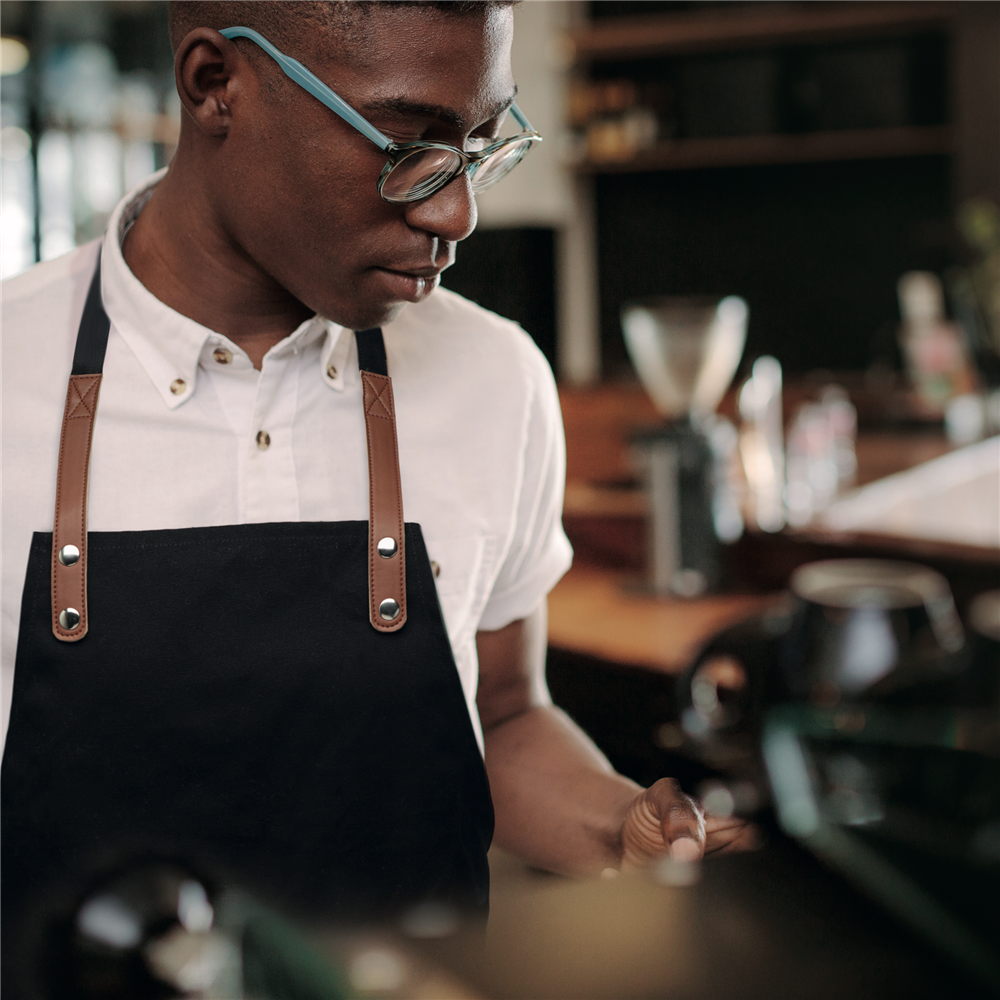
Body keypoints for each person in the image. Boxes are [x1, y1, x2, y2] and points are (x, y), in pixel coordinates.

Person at [0, 0, 751, 977]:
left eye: (480, 146)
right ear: (214, 85)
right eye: (406, 146)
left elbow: (508, 715)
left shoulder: (495, 378)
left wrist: (621, 827)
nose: (456, 212)